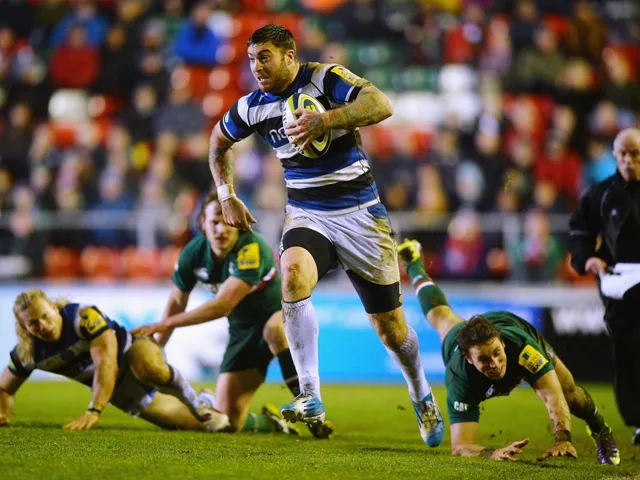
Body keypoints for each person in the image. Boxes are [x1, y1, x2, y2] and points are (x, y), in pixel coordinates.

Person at [206, 24, 444, 446]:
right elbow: (217, 141)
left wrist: (326, 120)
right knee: (292, 275)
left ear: (290, 55)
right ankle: (309, 395)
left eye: (265, 57)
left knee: (390, 330)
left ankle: (420, 391)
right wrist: (226, 195)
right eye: (252, 59)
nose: (256, 67)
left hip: (361, 216)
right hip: (307, 213)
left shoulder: (324, 78)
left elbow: (381, 103)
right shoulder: (252, 107)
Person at [396, 239, 620, 465]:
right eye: (484, 359)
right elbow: (461, 446)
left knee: (568, 391)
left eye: (496, 353)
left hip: (514, 327)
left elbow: (552, 394)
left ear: (502, 343)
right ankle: (414, 262)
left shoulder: (522, 347)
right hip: (463, 343)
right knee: (440, 316)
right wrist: (493, 452)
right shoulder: (459, 378)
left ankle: (600, 428)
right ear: (468, 359)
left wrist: (562, 439)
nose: (494, 363)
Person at [132, 191, 331, 438]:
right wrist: (158, 348)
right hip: (241, 331)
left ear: (238, 222)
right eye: (214, 221)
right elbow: (176, 302)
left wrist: (163, 325)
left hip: (276, 314)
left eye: (227, 222)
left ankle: (310, 410)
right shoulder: (194, 253)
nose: (221, 229)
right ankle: (270, 423)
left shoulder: (252, 247)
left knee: (275, 329)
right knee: (227, 420)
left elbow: (222, 305)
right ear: (202, 224)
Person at [0, 289, 230, 433]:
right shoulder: (27, 353)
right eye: (33, 323)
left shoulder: (83, 318)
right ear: (24, 327)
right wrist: (3, 413)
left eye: (45, 316)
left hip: (132, 351)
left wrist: (94, 410)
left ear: (54, 308)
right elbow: (5, 389)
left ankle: (196, 402)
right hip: (119, 390)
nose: (42, 326)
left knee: (148, 368)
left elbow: (106, 364)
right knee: (194, 427)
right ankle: (211, 402)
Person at [568, 127, 640, 445]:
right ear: (614, 155)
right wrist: (588, 259)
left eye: (635, 154)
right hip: (618, 280)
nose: (628, 161)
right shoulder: (602, 193)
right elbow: (579, 231)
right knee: (627, 349)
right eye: (623, 154)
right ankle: (638, 419)